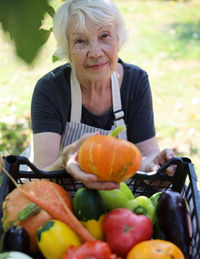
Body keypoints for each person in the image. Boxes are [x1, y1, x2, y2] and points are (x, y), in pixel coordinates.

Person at [31, 0, 175, 190]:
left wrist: (153, 166)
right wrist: (66, 163)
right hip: (63, 195)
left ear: (118, 38)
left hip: (117, 198)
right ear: (67, 49)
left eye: (104, 36)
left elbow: (146, 155)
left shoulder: (136, 82)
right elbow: (41, 179)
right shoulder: (50, 89)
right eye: (80, 41)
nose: (96, 53)